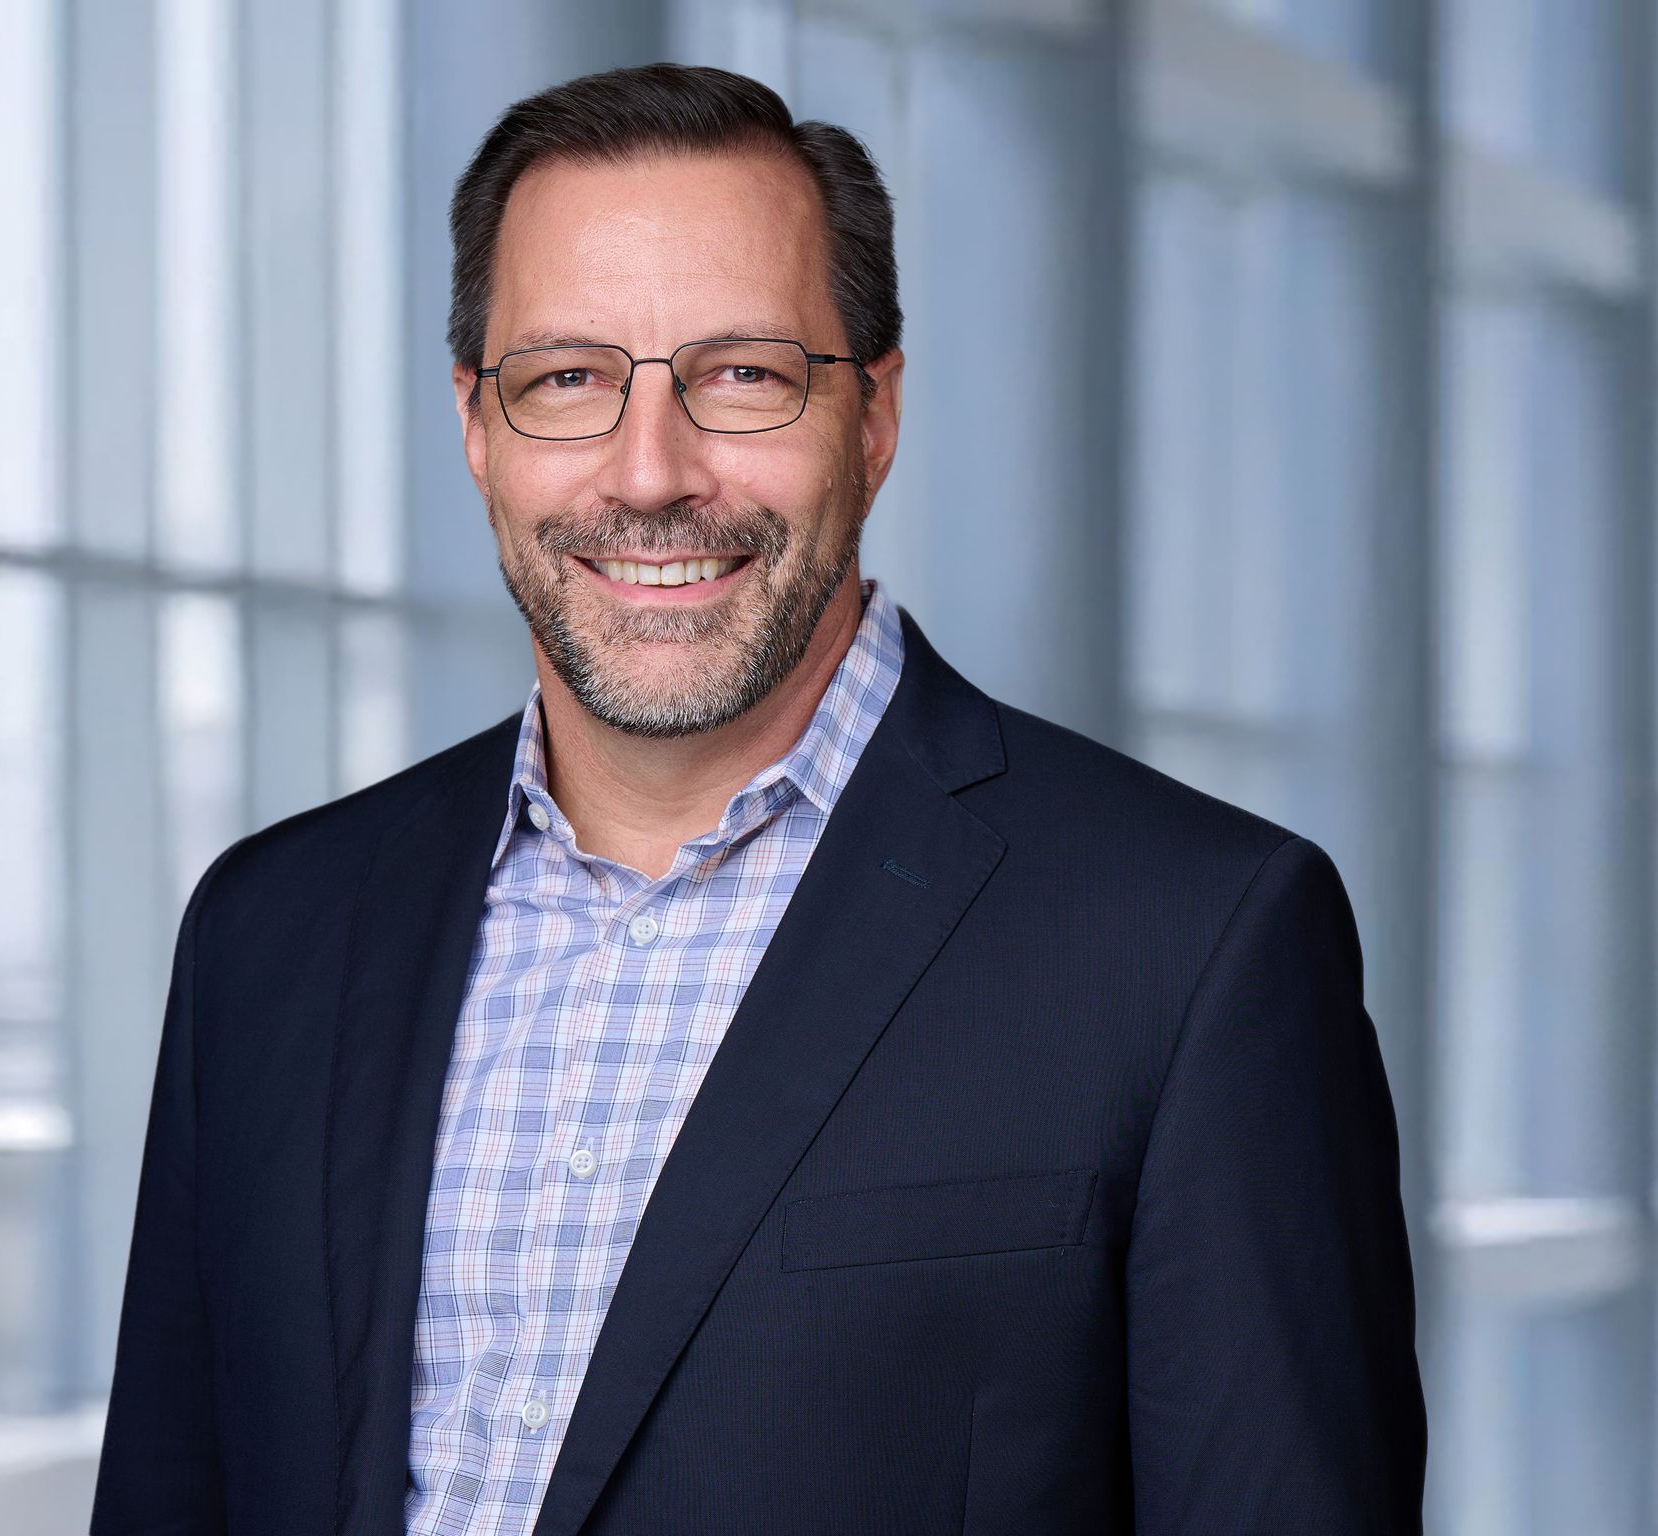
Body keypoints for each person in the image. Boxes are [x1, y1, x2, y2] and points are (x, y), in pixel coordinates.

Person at [91, 61, 1426, 1536]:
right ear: (477, 426)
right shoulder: (271, 931)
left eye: (744, 376)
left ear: (875, 416)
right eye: (567, 380)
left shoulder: (1193, 941)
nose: (651, 473)